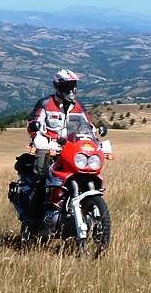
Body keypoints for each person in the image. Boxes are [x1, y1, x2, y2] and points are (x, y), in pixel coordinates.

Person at [26, 69, 98, 239]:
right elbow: (33, 124)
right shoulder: (45, 104)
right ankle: (34, 220)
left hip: (72, 150)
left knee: (88, 174)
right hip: (49, 147)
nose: (71, 90)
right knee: (41, 177)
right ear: (58, 86)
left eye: (73, 85)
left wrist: (96, 140)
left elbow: (89, 126)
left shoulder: (78, 106)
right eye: (67, 85)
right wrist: (39, 139)